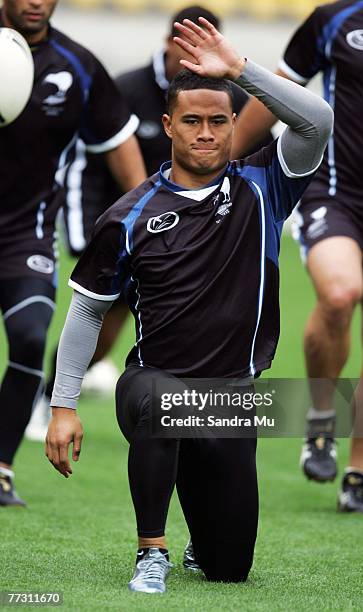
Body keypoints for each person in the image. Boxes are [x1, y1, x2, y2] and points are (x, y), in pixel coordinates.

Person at [46, 17, 332, 594]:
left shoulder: (263, 190)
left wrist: (241, 70)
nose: (206, 133)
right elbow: (87, 311)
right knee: (159, 400)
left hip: (230, 399)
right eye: (193, 121)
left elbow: (316, 119)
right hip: (154, 385)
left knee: (229, 570)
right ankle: (151, 549)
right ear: (168, 125)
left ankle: (207, 540)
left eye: (218, 121)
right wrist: (63, 406)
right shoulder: (128, 216)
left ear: (233, 126)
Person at [27, 4, 274, 441]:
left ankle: (190, 407)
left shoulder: (227, 97)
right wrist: (91, 227)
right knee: (101, 311)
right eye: (190, 46)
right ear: (168, 44)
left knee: (136, 324)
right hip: (126, 223)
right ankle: (52, 396)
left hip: (191, 227)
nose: (206, 129)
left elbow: (279, 136)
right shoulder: (128, 88)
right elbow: (89, 155)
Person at [232, 0, 363, 513]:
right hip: (336, 193)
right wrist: (227, 152)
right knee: (339, 292)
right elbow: (283, 87)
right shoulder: (337, 19)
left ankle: (358, 476)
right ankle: (322, 417)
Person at [0, 0, 147, 506]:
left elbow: (121, 149)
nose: (35, 2)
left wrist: (153, 223)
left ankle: (0, 468)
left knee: (29, 334)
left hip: (27, 235)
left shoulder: (77, 66)